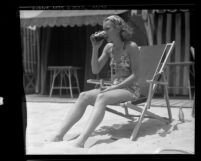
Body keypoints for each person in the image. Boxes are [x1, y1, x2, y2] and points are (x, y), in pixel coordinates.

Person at [49, 15, 141, 148]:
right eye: (103, 29)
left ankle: (81, 141)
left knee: (102, 97)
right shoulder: (108, 47)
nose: (103, 32)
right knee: (83, 96)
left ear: (118, 29)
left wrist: (115, 88)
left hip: (130, 89)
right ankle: (59, 135)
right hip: (113, 88)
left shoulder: (131, 46)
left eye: (107, 29)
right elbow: (95, 69)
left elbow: (136, 75)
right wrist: (95, 48)